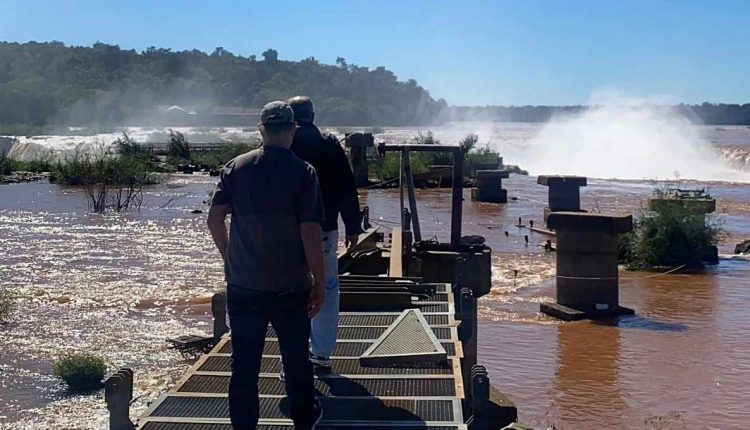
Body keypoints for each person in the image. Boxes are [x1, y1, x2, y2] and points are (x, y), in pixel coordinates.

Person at [207, 101, 325, 430]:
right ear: (291, 130)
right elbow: (310, 230)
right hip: (291, 284)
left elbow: (215, 219)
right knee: (297, 359)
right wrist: (319, 279)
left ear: (261, 131)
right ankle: (304, 421)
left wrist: (229, 256)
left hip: (244, 284)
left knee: (244, 365)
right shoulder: (304, 173)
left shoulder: (235, 168)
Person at [287, 96, 361, 369]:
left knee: (290, 289)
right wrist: (352, 226)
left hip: (286, 231)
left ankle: (293, 355)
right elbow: (346, 186)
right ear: (313, 115)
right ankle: (320, 353)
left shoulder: (283, 144)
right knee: (327, 287)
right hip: (324, 228)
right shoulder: (327, 144)